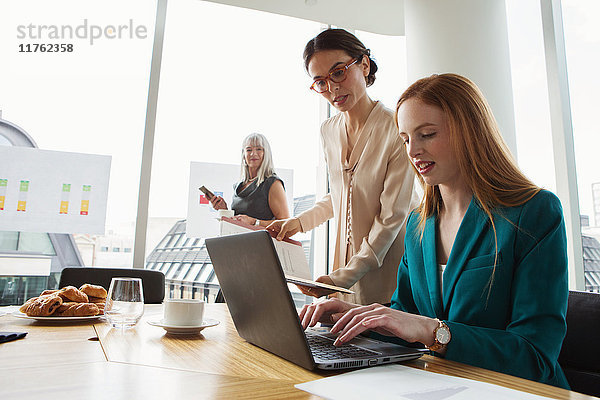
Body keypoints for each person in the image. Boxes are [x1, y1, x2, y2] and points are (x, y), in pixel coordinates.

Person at [299, 73, 570, 388]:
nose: (412, 150)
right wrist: (354, 316)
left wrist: (433, 332)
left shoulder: (533, 212)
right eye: (405, 139)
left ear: (470, 132)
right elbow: (405, 315)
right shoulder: (418, 224)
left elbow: (535, 356)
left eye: (426, 134)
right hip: (441, 385)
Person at [267, 29, 417, 305]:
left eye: (338, 72)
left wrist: (343, 277)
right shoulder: (329, 130)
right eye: (320, 82)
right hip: (343, 277)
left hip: (390, 278)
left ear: (364, 65)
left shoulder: (397, 126)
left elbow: (391, 218)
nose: (332, 88)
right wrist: (299, 223)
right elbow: (341, 195)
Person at [211, 133, 290, 226]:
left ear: (266, 153)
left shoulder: (272, 183)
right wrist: (224, 210)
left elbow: (286, 224)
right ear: (243, 155)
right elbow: (239, 224)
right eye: (249, 150)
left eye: (259, 149)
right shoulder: (238, 186)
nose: (253, 154)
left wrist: (254, 222)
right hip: (238, 240)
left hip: (260, 240)